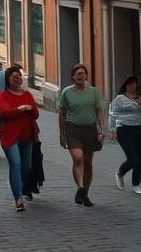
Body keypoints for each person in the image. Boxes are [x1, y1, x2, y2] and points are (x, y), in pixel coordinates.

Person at [58, 63, 105, 206]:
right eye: (78, 74)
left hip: (90, 130)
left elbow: (98, 111)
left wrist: (102, 130)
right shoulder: (67, 92)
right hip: (73, 130)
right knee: (78, 158)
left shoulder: (93, 92)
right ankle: (80, 187)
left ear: (86, 76)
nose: (81, 76)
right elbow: (62, 114)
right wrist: (62, 134)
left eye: (83, 74)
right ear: (73, 76)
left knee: (88, 164)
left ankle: (84, 194)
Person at [0, 65, 39, 212]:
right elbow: (4, 112)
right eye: (14, 76)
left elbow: (35, 113)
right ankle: (18, 199)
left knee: (26, 167)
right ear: (7, 79)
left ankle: (20, 187)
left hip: (27, 136)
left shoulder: (27, 95)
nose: (18, 78)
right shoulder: (3, 95)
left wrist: (28, 108)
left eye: (19, 76)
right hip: (9, 136)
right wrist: (21, 109)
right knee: (16, 164)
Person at [109, 75, 141, 194]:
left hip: (139, 130)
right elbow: (112, 114)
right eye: (131, 83)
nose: (133, 86)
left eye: (135, 83)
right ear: (126, 85)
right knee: (132, 159)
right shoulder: (119, 98)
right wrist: (113, 130)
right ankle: (120, 173)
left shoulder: (139, 98)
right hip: (124, 130)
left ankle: (136, 185)